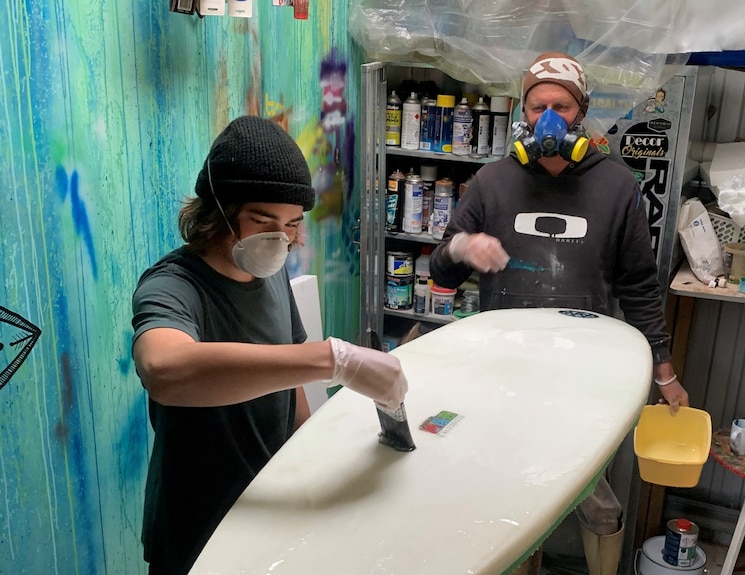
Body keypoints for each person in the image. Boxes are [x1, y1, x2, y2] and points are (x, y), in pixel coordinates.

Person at [429, 52, 689, 575]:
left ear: (582, 111)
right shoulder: (491, 183)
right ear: (523, 112)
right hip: (501, 367)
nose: (550, 117)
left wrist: (665, 368)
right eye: (539, 105)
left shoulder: (616, 187)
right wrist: (460, 248)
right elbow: (442, 271)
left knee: (592, 495)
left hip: (583, 374)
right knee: (506, 492)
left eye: (563, 106)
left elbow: (639, 284)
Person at [131, 115, 407, 574]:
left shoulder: (271, 269)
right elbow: (164, 369)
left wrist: (309, 462)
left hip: (269, 506)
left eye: (294, 223)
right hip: (199, 528)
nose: (284, 239)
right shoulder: (173, 287)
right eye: (264, 221)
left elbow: (289, 383)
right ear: (220, 211)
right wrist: (332, 359)